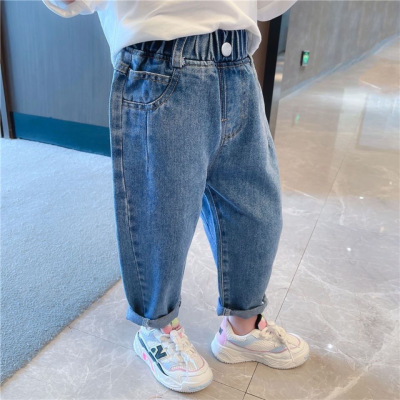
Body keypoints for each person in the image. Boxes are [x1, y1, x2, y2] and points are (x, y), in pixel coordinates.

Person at [43, 0, 310, 393]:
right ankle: (158, 329)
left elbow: (267, 6)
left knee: (256, 209)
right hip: (160, 63)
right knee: (161, 214)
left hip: (238, 64)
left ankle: (243, 326)